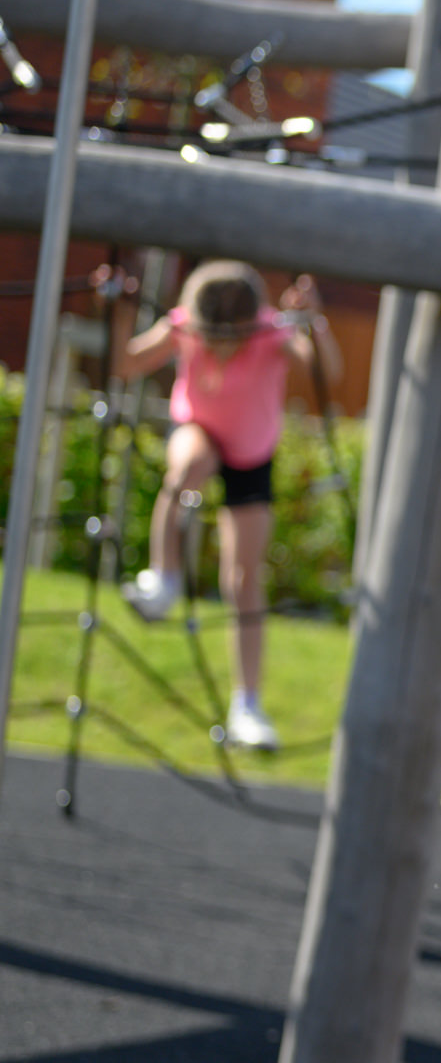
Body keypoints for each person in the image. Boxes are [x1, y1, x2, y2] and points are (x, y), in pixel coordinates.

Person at [111, 259, 340, 751]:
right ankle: (165, 579)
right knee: (189, 465)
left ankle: (247, 705)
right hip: (200, 430)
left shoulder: (269, 333)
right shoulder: (184, 325)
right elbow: (126, 363)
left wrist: (311, 321)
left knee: (243, 579)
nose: (215, 345)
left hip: (252, 454)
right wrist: (122, 311)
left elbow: (326, 374)